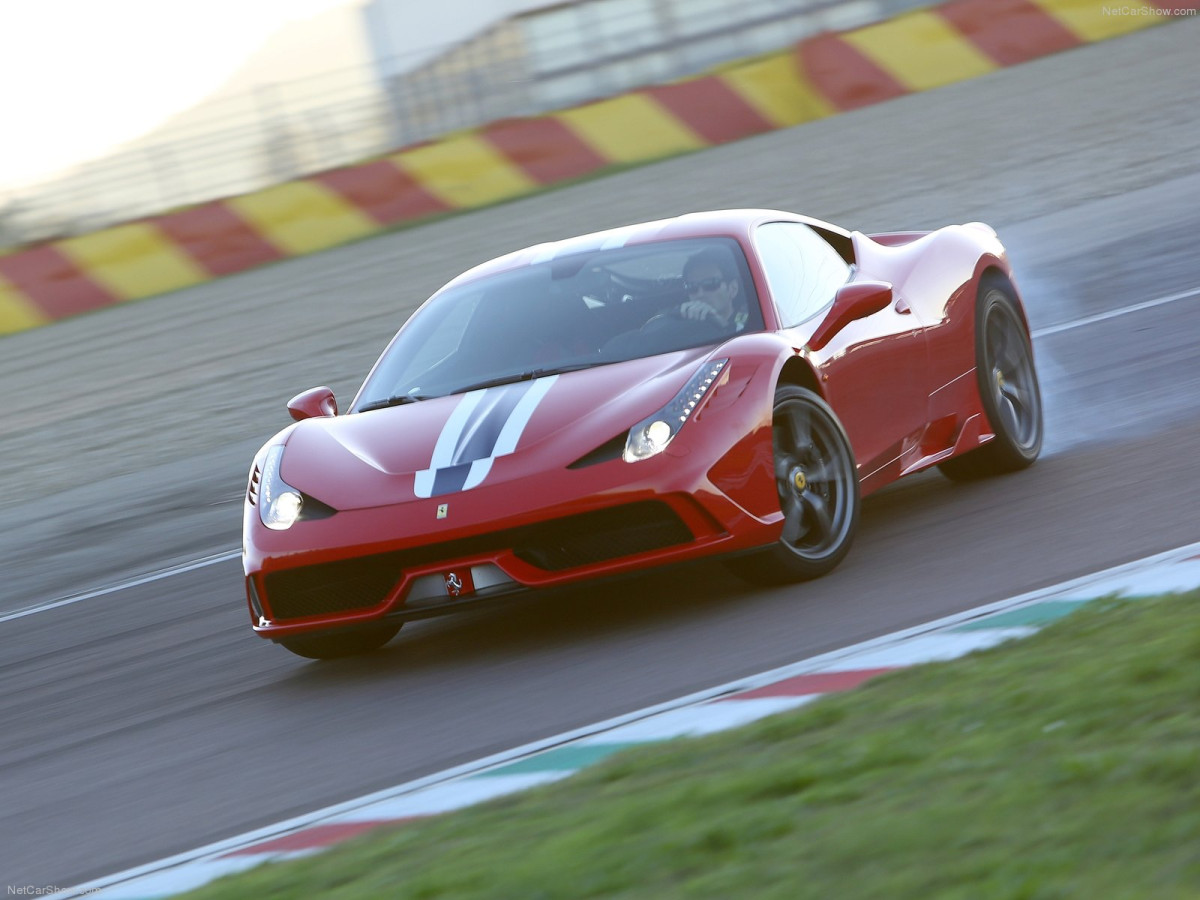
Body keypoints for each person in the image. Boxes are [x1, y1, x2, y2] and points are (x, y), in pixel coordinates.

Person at [678, 248, 746, 332]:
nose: (700, 294)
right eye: (692, 287)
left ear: (733, 289)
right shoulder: (679, 327)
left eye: (710, 284)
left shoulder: (750, 324)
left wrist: (724, 326)